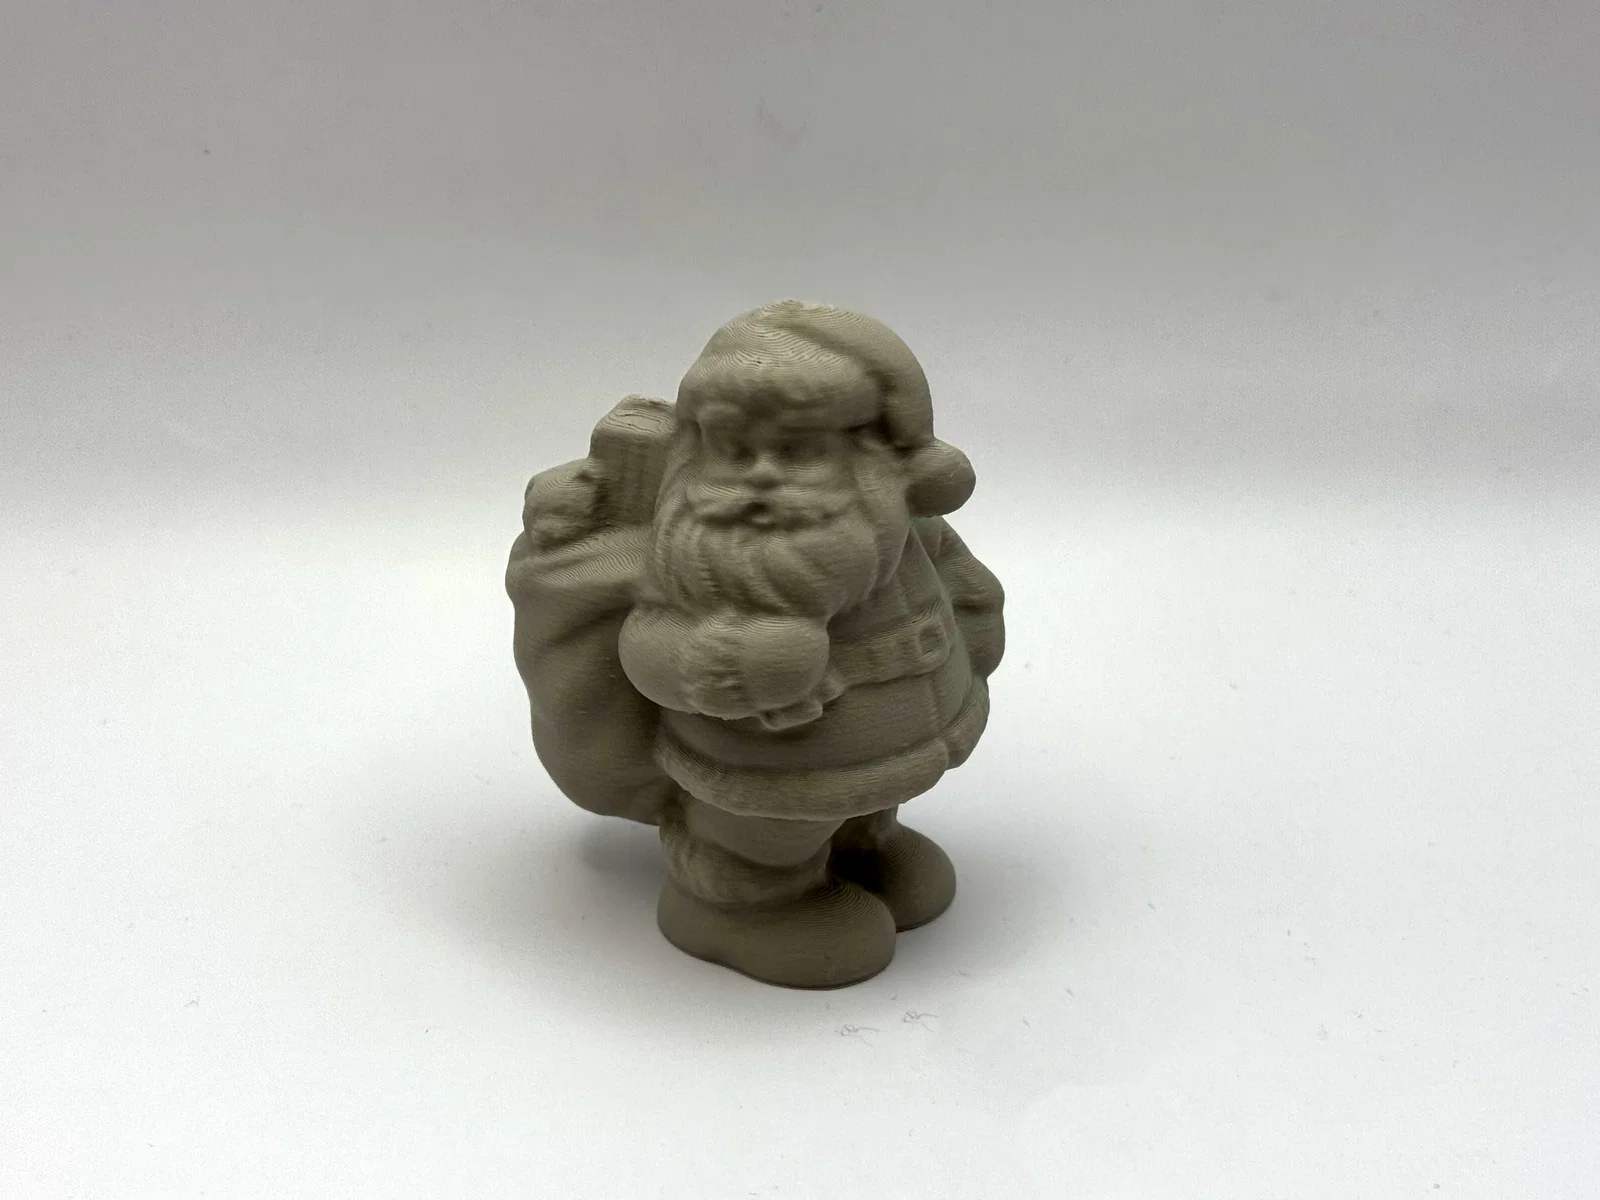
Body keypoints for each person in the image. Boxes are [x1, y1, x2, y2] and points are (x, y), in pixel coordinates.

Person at [612, 300, 1005, 987]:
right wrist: (716, 665)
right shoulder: (694, 564)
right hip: (763, 766)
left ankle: (865, 843)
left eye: (798, 451)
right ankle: (737, 905)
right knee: (762, 837)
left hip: (896, 735)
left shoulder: (893, 524)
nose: (761, 475)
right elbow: (648, 642)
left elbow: (950, 569)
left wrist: (974, 610)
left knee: (865, 803)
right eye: (734, 451)